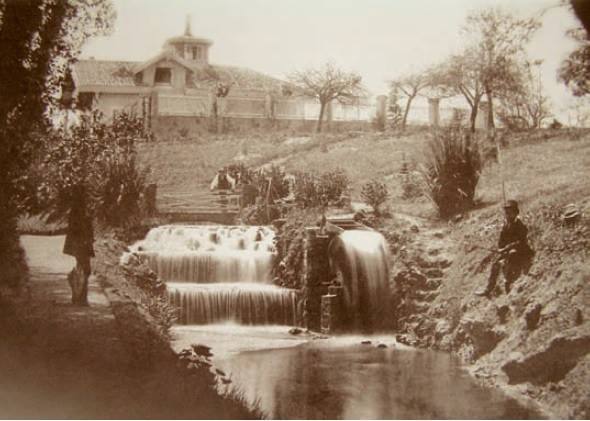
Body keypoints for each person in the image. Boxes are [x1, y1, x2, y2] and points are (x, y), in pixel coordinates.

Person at [475, 200, 534, 298]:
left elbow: (521, 241)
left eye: (510, 212)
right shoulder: (505, 226)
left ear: (516, 213)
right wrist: (501, 248)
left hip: (521, 251)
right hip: (508, 251)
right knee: (495, 264)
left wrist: (507, 247)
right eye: (506, 213)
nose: (508, 215)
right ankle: (488, 289)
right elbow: (501, 241)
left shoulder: (520, 225)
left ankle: (508, 281)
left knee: (512, 254)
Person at [63, 185, 95, 305]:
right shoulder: (79, 211)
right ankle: (80, 298)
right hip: (82, 244)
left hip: (80, 244)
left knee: (83, 269)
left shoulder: (77, 210)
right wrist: (88, 238)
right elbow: (79, 228)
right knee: (85, 269)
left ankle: (79, 298)